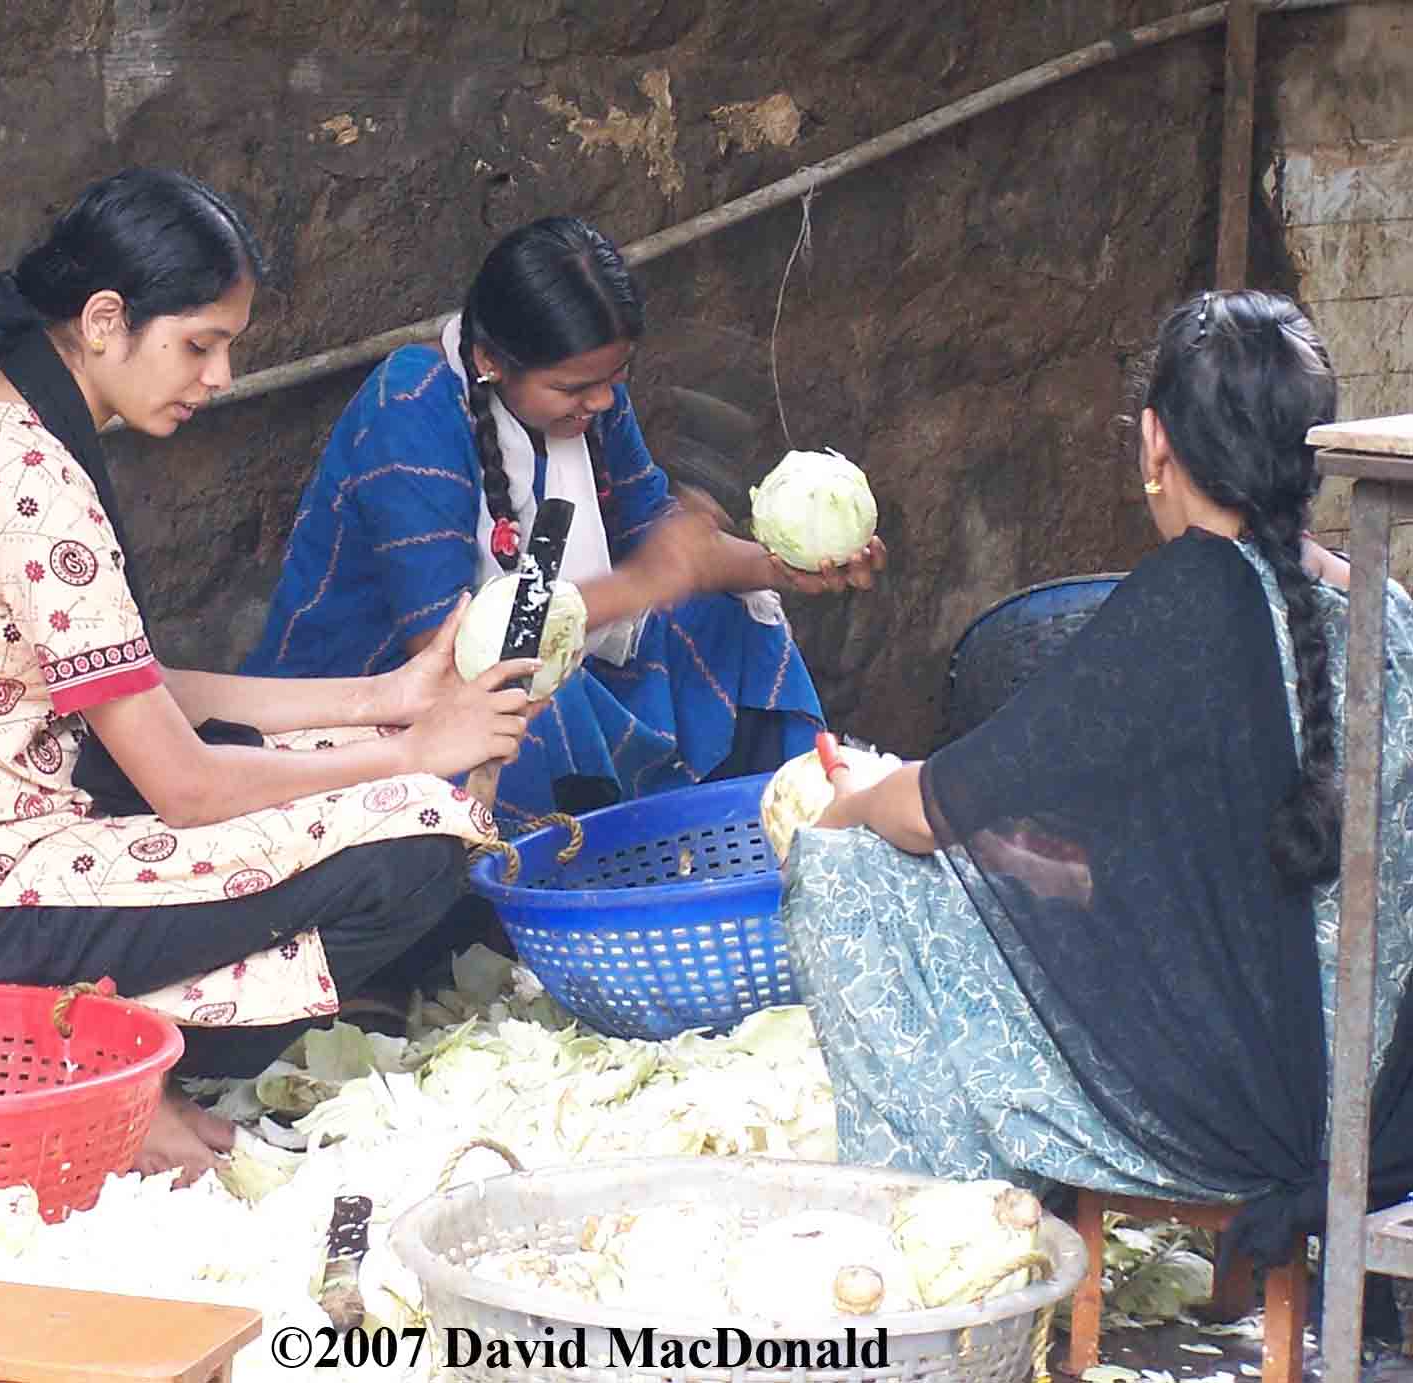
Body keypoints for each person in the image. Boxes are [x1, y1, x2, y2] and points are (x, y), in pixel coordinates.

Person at [0, 168, 540, 1184]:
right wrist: (415, 750)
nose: (218, 376)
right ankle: (81, 1078)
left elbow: (136, 683)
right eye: (199, 343)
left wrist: (384, 703)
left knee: (338, 765)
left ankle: (111, 1062)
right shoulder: (32, 483)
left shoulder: (1, 422)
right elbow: (186, 784)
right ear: (108, 320)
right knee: (423, 831)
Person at [781, 289, 1413, 1268]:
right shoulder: (1386, 604)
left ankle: (932, 1241)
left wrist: (855, 792)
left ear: (1155, 443)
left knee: (848, 872)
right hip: (1373, 1107)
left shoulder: (1187, 604)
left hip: (1245, 1114)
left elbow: (930, 812)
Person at [241, 216, 887, 831]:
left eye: (614, 378)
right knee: (532, 705)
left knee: (738, 617)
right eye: (577, 387)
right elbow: (450, 653)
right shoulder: (408, 409)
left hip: (544, 647)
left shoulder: (591, 397)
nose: (602, 400)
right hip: (383, 688)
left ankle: (774, 828)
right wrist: (645, 583)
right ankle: (566, 879)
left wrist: (783, 566)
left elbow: (656, 534)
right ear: (492, 360)